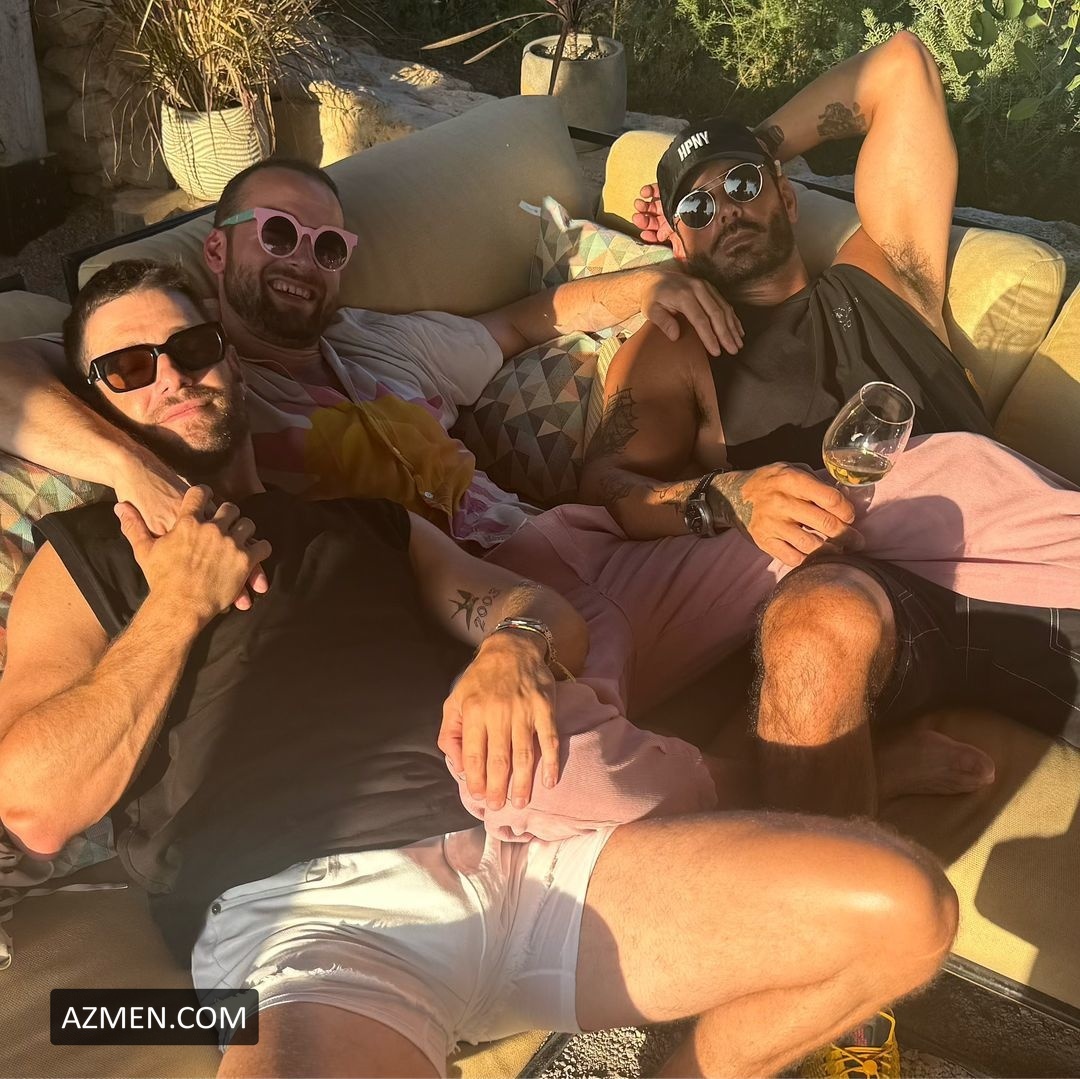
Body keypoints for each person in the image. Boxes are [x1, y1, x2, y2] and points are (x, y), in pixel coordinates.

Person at [0, 261, 958, 1078]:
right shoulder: (87, 557)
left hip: (523, 854)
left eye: (191, 347)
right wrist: (176, 604)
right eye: (129, 367)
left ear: (230, 357)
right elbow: (33, 803)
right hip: (312, 919)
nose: (171, 375)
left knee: (904, 911)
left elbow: (535, 608)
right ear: (97, 404)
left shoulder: (364, 522)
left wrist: (513, 646)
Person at [579, 30, 1080, 816]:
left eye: (742, 184)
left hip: (1013, 567)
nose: (726, 209)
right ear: (676, 240)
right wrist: (728, 495)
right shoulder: (676, 349)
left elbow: (901, 68)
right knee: (818, 622)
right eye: (698, 207)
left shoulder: (889, 272)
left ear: (786, 195)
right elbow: (606, 484)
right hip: (869, 600)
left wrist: (755, 141)